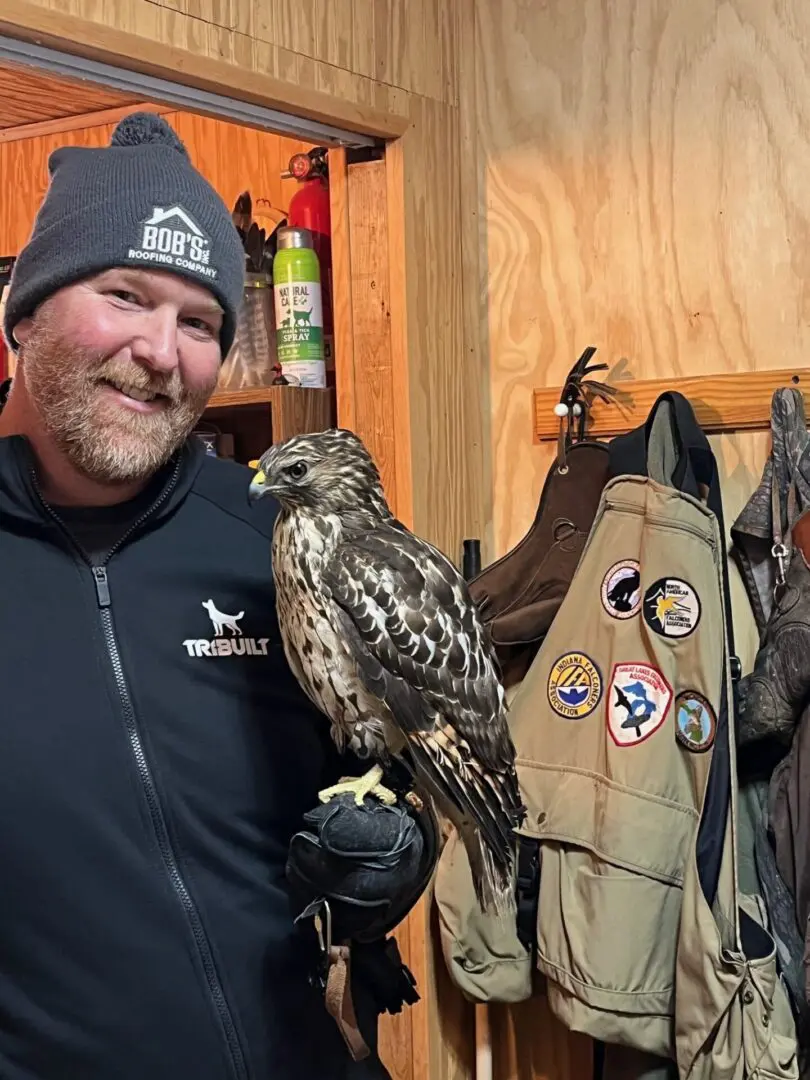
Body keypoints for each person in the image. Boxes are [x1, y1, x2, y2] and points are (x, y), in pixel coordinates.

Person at [0, 111, 434, 1080]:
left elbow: (393, 769)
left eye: (200, 321)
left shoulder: (275, 536)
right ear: (22, 316)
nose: (163, 351)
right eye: (124, 294)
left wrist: (396, 852)